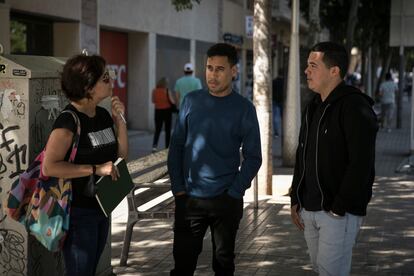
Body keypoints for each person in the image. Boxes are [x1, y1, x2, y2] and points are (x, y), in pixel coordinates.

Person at [168, 43, 262, 276]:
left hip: (226, 200)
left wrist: (235, 192)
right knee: (183, 264)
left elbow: (254, 157)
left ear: (233, 71)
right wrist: (179, 190)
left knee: (223, 264)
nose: (213, 74)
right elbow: (176, 147)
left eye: (220, 69)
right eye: (209, 68)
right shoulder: (190, 101)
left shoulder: (244, 108)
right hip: (190, 199)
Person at [290, 42, 378, 276]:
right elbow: (303, 153)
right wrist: (295, 198)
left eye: (313, 65)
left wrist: (339, 208)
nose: (306, 71)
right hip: (310, 209)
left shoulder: (355, 107)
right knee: (321, 270)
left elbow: (361, 164)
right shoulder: (312, 106)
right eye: (307, 66)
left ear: (334, 70)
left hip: (338, 213)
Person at [42, 54, 128, 276]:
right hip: (78, 213)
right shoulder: (68, 121)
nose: (111, 81)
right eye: (105, 78)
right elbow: (49, 167)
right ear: (89, 86)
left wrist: (120, 122)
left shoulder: (101, 114)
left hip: (102, 206)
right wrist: (95, 169)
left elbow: (120, 156)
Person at [152, 77, 175, 152]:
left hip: (158, 111)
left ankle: (154, 146)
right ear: (165, 84)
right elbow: (172, 101)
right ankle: (167, 147)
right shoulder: (167, 91)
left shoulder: (154, 91)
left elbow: (153, 100)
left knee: (157, 129)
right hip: (167, 111)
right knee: (167, 130)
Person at [272, 69, 285, 137]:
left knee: (276, 118)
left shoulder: (274, 81)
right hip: (282, 101)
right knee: (283, 117)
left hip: (275, 101)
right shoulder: (284, 82)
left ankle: (276, 133)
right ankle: (284, 131)